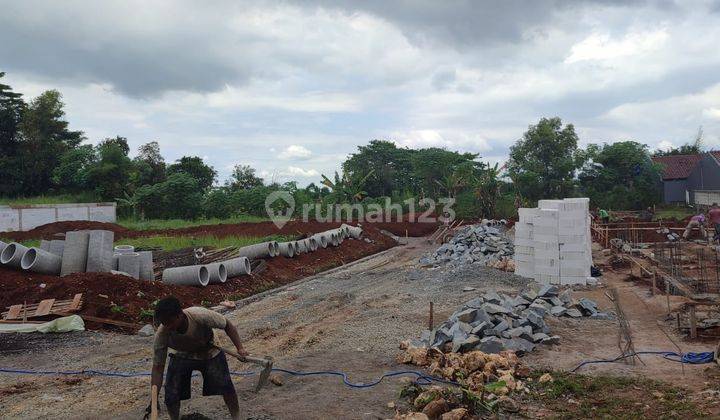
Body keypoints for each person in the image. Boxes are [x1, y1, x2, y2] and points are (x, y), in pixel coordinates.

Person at [150, 296, 247, 420]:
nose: (167, 326)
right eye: (164, 323)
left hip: (209, 350)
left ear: (179, 315)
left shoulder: (200, 315)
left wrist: (240, 348)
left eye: (170, 322)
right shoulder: (162, 335)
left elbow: (227, 325)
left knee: (226, 386)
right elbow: (158, 369)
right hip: (182, 354)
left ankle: (236, 417)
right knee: (171, 394)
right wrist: (154, 398)